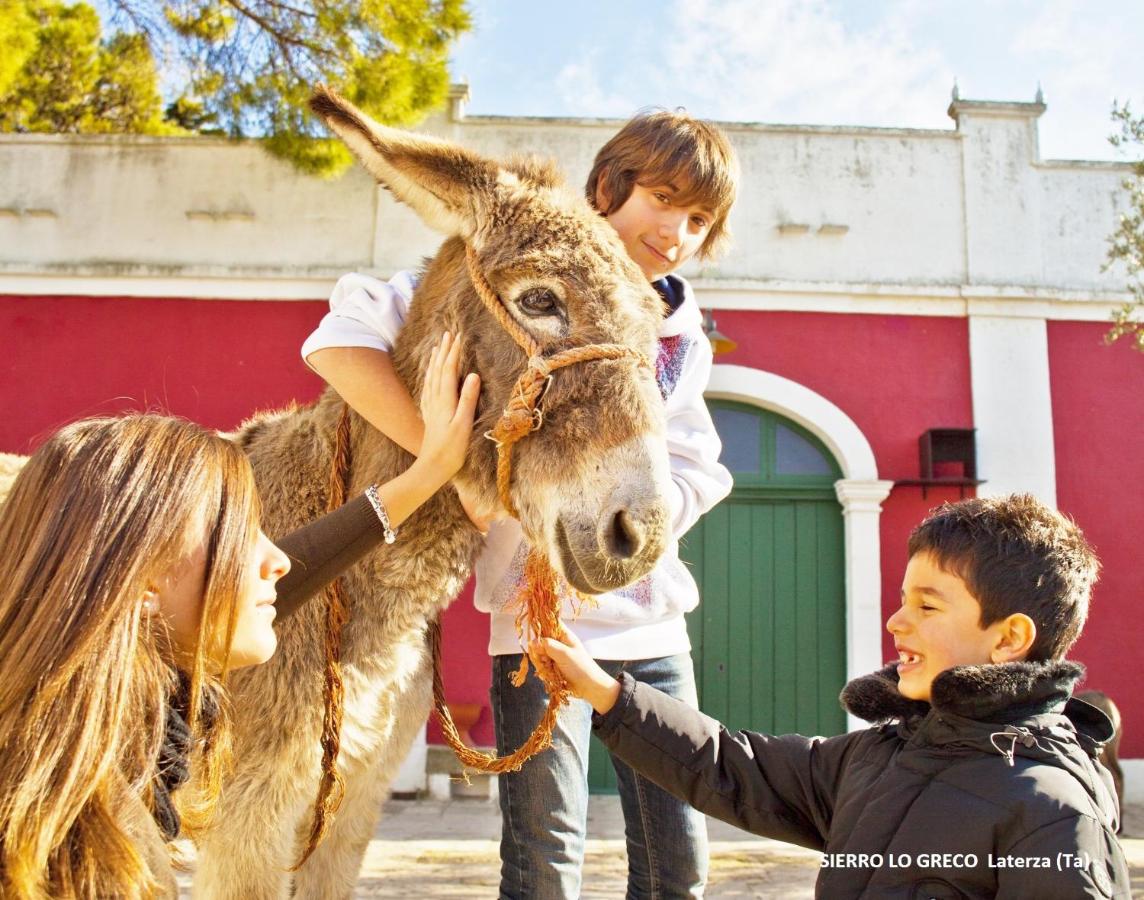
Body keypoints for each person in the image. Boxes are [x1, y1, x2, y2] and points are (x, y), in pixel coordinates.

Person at [301, 109, 740, 897]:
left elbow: (698, 464)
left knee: (680, 859)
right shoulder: (516, 263)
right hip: (532, 630)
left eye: (701, 219)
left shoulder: (678, 333)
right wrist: (452, 469)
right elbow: (340, 340)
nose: (677, 231)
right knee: (545, 855)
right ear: (608, 187)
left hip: (649, 628)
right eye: (664, 199)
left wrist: (642, 513)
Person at [0, 335, 478, 899]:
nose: (278, 559)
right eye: (240, 535)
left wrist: (431, 471)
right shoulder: (75, 851)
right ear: (143, 581)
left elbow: (301, 565)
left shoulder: (82, 746)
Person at [530, 494, 1131, 898]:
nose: (896, 622)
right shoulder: (874, 757)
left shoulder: (1053, 813)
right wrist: (607, 693)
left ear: (1009, 639)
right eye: (902, 599)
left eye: (926, 604)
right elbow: (729, 764)